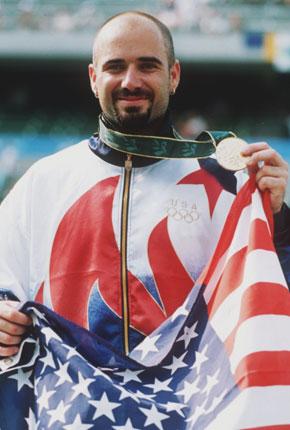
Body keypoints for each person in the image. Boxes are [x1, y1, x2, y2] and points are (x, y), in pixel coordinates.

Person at [0, 11, 289, 359]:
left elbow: (269, 299)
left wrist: (280, 223)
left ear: (174, 75)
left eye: (148, 66)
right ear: (94, 77)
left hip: (192, 408)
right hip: (73, 406)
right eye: (115, 67)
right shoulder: (42, 184)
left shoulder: (227, 183)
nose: (130, 81)